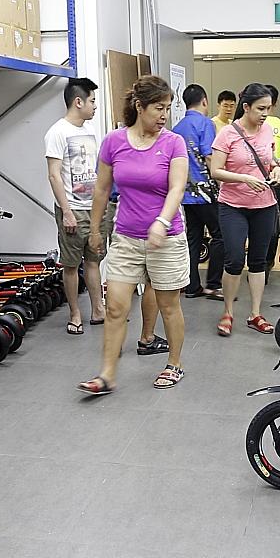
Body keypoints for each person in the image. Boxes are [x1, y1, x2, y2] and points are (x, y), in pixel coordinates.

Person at [77, 75, 190, 394]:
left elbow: (177, 187)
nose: (164, 115)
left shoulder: (173, 142)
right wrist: (96, 229)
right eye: (158, 107)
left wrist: (162, 222)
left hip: (166, 239)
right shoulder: (114, 141)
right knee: (115, 306)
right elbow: (101, 189)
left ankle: (175, 363)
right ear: (139, 107)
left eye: (167, 108)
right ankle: (107, 374)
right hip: (126, 237)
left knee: (168, 306)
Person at [208, 82, 280, 337]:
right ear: (246, 106)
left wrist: (278, 169)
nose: (265, 114)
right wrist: (244, 179)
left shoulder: (268, 130)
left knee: (259, 261)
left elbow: (269, 161)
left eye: (268, 109)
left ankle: (255, 313)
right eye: (260, 108)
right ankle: (228, 311)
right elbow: (215, 170)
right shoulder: (227, 133)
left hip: (265, 205)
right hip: (233, 205)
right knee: (235, 259)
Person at [45, 77, 108, 335]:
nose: (95, 106)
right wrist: (67, 212)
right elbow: (54, 175)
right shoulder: (57, 132)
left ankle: (98, 310)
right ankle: (75, 314)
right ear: (78, 101)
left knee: (93, 261)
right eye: (92, 101)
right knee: (71, 265)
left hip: (94, 209)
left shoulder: (91, 130)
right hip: (72, 208)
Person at [171, 84, 223, 299]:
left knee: (193, 237)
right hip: (206, 191)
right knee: (220, 235)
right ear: (205, 101)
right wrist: (221, 181)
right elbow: (209, 155)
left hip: (185, 192)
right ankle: (213, 283)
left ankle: (192, 286)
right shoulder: (206, 123)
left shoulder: (177, 128)